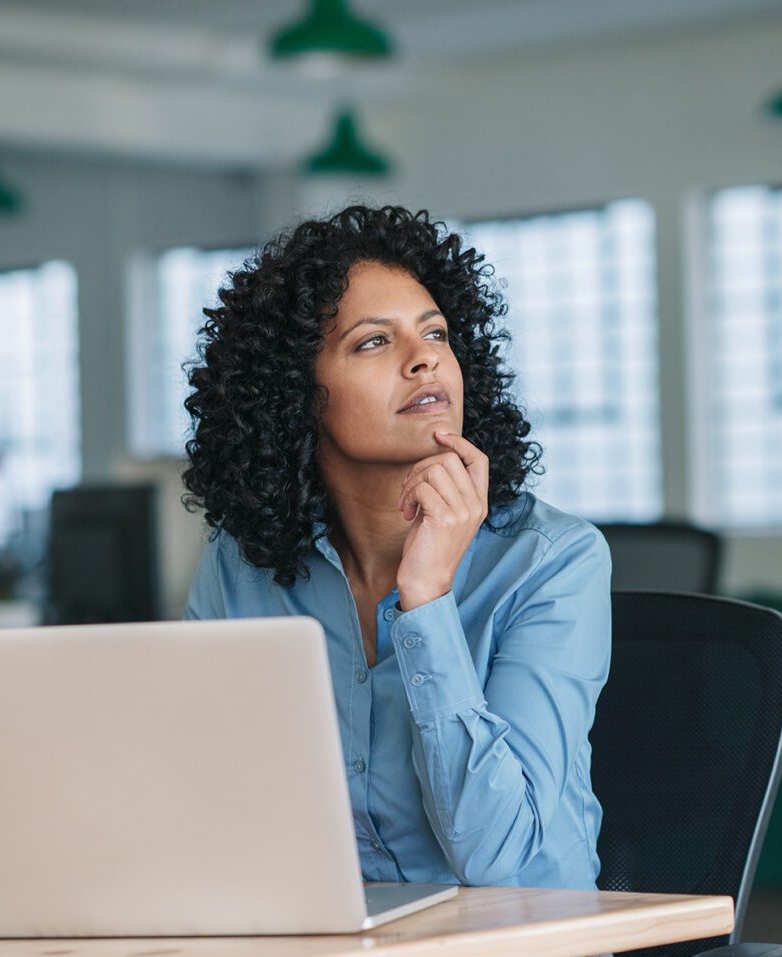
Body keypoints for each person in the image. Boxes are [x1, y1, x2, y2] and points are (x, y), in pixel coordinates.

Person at [180, 204, 612, 889]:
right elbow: (200, 803)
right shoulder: (241, 567)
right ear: (297, 396)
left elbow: (497, 856)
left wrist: (428, 598)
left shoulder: (552, 559)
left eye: (435, 332)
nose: (425, 359)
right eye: (373, 342)